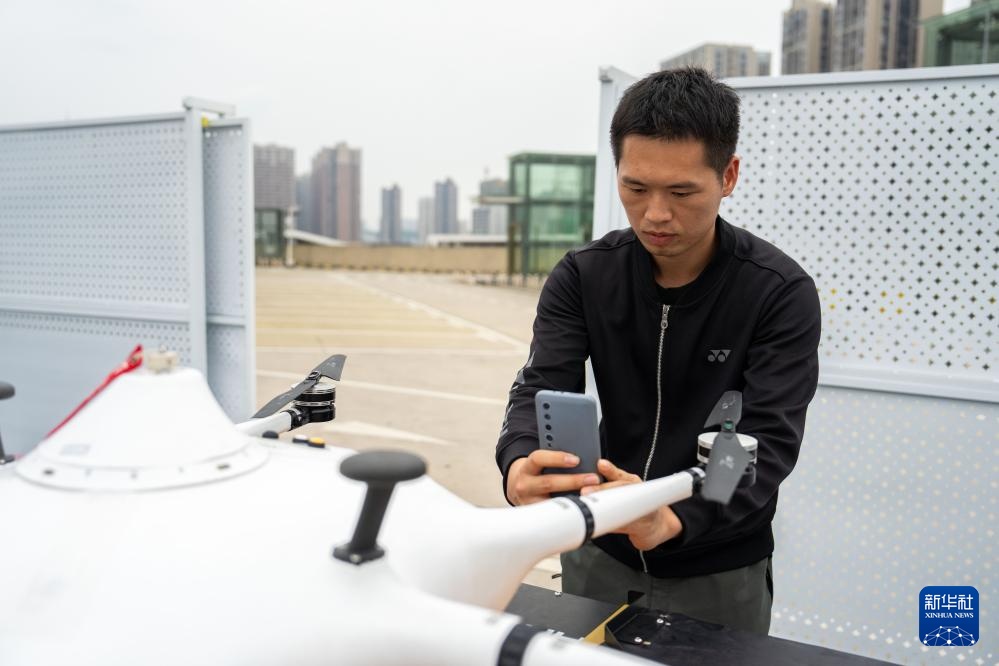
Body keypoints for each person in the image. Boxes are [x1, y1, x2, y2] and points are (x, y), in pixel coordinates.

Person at [495, 67, 821, 634]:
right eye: (636, 188)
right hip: (600, 547)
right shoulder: (584, 276)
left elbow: (767, 440)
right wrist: (518, 462)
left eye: (681, 192)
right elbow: (540, 384)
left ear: (728, 176)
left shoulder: (777, 291)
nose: (655, 214)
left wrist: (675, 515)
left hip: (719, 566)